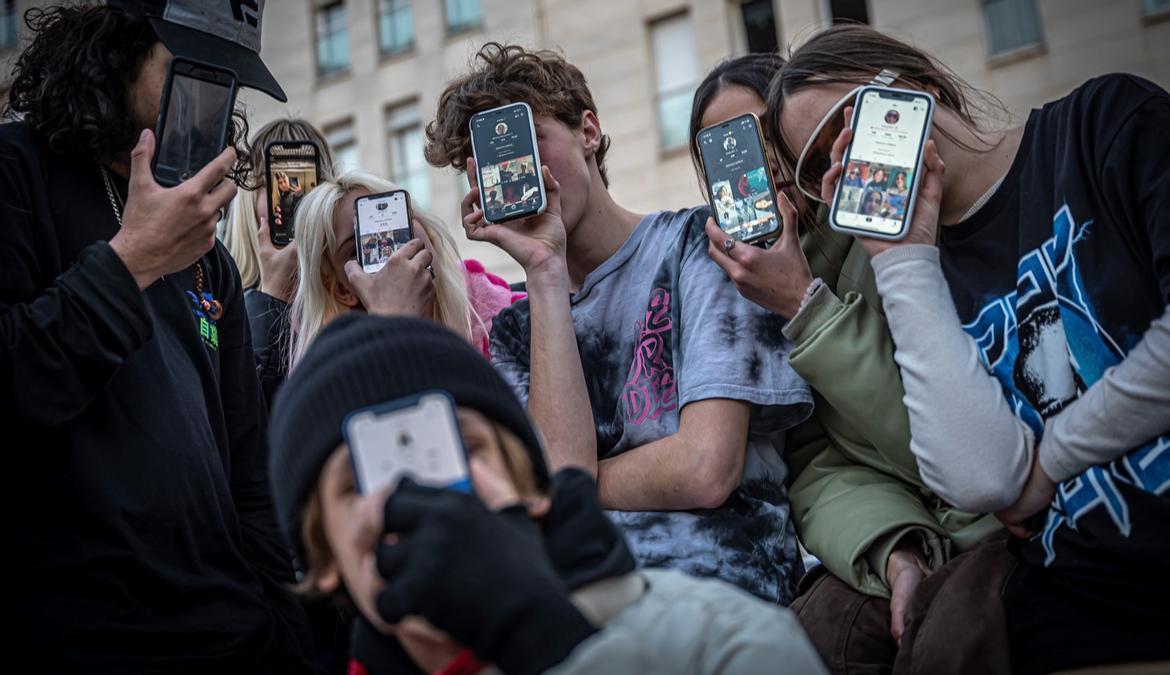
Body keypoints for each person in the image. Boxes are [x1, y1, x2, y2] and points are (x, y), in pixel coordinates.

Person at [772, 23, 1170, 673]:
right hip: (1086, 622)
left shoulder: (1106, 122)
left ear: (911, 85)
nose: (846, 158)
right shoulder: (911, 280)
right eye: (818, 166)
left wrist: (1051, 460)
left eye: (847, 122)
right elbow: (981, 478)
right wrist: (902, 259)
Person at [426, 42, 813, 605]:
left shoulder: (701, 244)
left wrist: (577, 483)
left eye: (529, 144)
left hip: (720, 583)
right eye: (495, 165)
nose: (522, 174)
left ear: (589, 131)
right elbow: (549, 491)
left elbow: (707, 468)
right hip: (583, 605)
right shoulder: (516, 329)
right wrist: (544, 269)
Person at [0, 1, 317, 671]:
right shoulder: (16, 170)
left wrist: (285, 633)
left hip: (232, 633)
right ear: (122, 48)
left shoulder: (209, 252)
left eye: (228, 79)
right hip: (81, 634)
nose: (210, 98)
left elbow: (248, 471)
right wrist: (132, 259)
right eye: (194, 69)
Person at [267, 313, 829, 675]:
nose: (413, 494)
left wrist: (549, 645)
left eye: (457, 448)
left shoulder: (717, 637)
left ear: (531, 488)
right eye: (359, 477)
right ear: (326, 562)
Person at [690, 53, 998, 672]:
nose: (755, 166)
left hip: (989, 515)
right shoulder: (743, 288)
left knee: (950, 637)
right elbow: (813, 463)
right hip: (889, 526)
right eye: (724, 153)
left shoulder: (890, 224)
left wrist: (806, 307)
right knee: (813, 638)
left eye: (761, 136)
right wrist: (894, 548)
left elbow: (944, 444)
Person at [288, 170, 522, 368]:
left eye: (398, 225)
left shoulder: (516, 317)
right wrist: (394, 323)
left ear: (426, 230)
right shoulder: (338, 375)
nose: (395, 255)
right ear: (342, 289)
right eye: (360, 249)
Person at [220, 117, 335, 407]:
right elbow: (241, 422)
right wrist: (272, 295)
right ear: (248, 201)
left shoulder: (351, 290)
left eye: (307, 182)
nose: (292, 199)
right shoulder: (219, 303)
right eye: (274, 183)